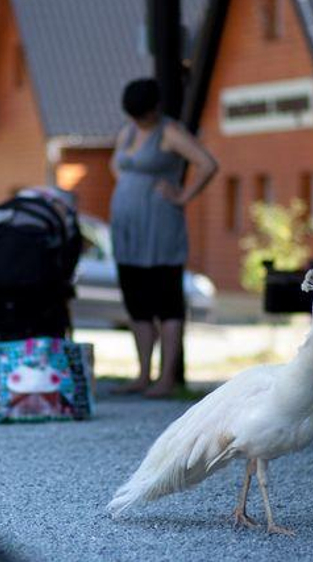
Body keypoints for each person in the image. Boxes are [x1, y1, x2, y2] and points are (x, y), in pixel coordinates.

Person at [109, 78, 218, 398]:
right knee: (136, 302)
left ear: (155, 109)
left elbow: (208, 164)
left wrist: (182, 196)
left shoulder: (170, 132)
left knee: (166, 300)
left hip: (159, 227)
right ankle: (142, 374)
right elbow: (119, 165)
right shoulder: (127, 130)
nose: (138, 121)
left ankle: (166, 377)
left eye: (143, 115)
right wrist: (132, 186)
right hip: (128, 228)